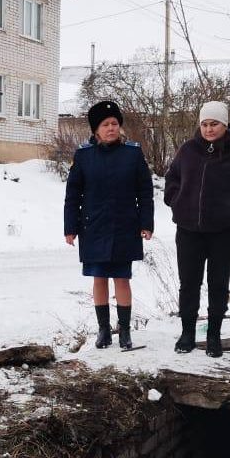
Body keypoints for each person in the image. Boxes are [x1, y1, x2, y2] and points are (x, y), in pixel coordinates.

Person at [163, 101, 230, 357]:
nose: (208, 129)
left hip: (224, 232)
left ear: (224, 124)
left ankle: (214, 335)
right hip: (188, 230)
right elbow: (172, 178)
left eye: (214, 124)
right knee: (189, 283)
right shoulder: (188, 150)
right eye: (204, 124)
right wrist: (176, 200)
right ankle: (187, 333)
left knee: (218, 284)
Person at [64, 99, 155, 350]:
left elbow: (145, 192)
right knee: (99, 278)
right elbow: (73, 195)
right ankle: (104, 331)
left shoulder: (133, 155)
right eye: (106, 124)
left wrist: (146, 223)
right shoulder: (84, 156)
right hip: (93, 227)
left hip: (125, 227)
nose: (111, 128)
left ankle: (124, 332)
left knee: (122, 279)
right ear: (96, 130)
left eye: (115, 123)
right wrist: (70, 227)